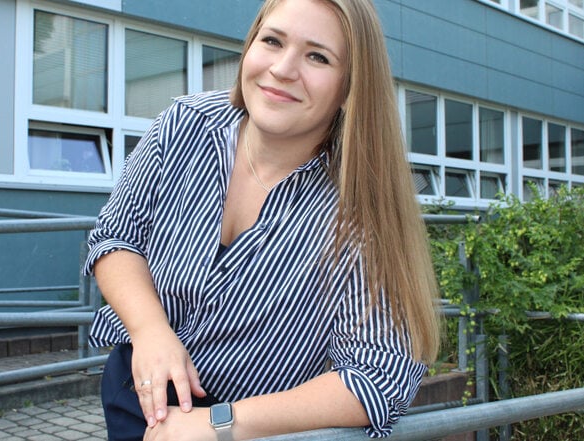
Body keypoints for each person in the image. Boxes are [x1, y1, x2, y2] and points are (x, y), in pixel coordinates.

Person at [84, 0, 441, 439]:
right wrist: (151, 331)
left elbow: (378, 378)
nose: (283, 69)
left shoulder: (361, 211)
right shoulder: (184, 125)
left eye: (317, 56)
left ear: (350, 88)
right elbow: (115, 238)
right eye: (272, 41)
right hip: (137, 388)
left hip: (250, 428)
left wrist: (219, 424)